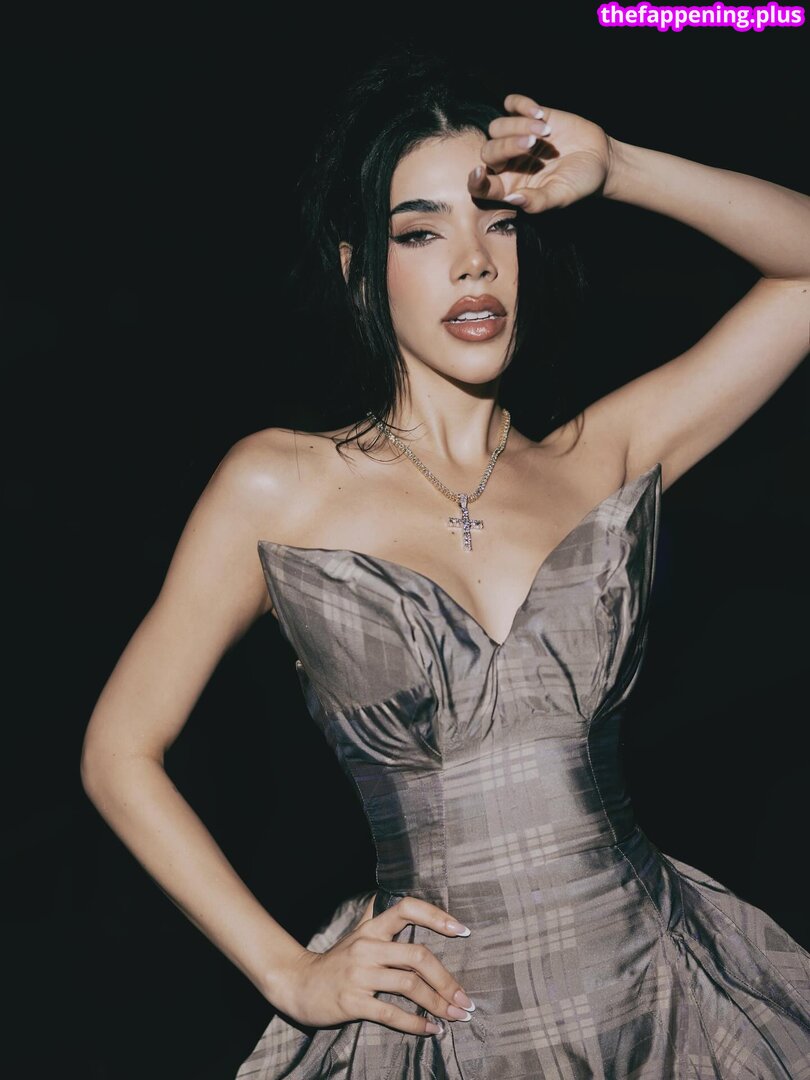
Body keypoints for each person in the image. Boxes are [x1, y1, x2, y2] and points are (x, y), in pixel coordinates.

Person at [81, 46, 810, 1079]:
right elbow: (119, 750)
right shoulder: (279, 486)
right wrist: (288, 971)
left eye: (497, 222)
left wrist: (622, 167)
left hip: (660, 1005)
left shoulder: (601, 456)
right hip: (443, 1032)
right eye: (421, 231)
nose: (474, 262)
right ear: (357, 267)